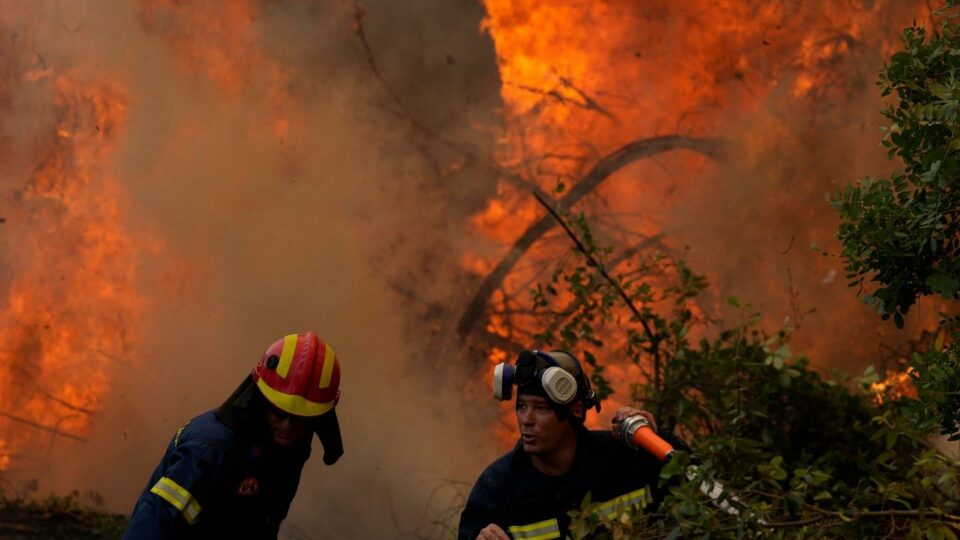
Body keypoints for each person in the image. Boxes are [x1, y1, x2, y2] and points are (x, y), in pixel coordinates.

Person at [123, 331, 343, 539]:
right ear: (261, 400)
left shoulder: (289, 450)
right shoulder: (210, 449)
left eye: (301, 418)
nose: (287, 426)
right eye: (279, 411)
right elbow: (155, 524)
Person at [458, 349, 687, 540]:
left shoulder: (623, 460)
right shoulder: (497, 488)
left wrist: (653, 437)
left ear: (575, 411)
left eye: (541, 408)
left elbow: (690, 475)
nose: (526, 419)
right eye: (521, 406)